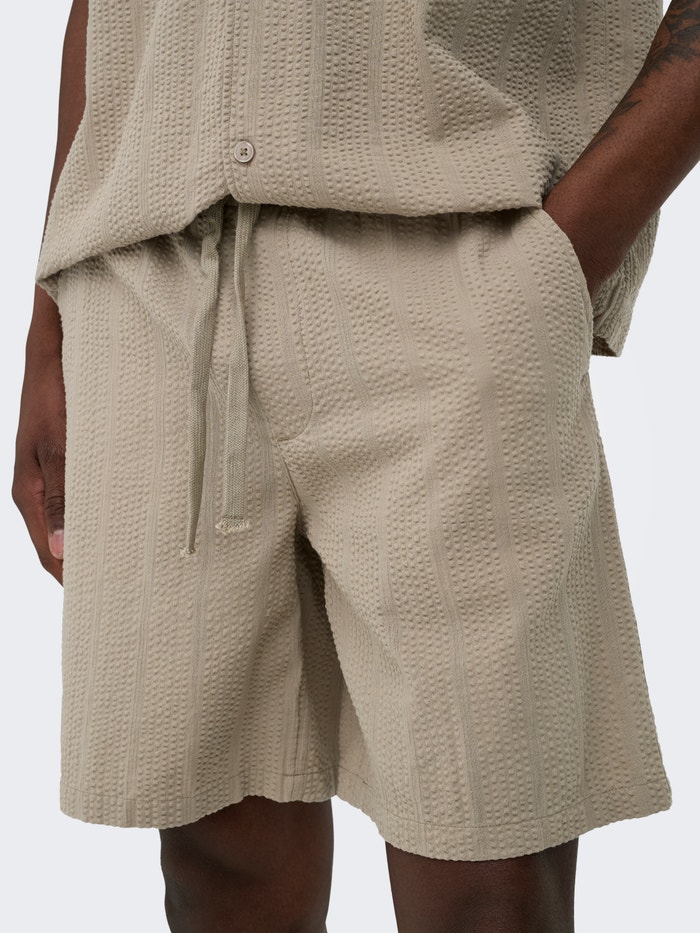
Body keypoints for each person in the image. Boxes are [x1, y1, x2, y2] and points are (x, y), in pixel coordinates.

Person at [12, 1, 696, 930]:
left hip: (451, 243)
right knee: (215, 851)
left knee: (489, 867)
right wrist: (50, 322)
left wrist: (568, 249)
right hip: (150, 278)